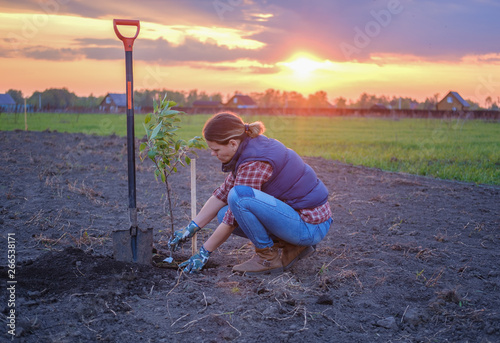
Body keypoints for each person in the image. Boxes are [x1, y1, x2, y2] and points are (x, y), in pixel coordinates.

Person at [168, 112, 332, 275]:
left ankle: (267, 258)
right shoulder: (248, 148)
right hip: (300, 219)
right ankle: (293, 246)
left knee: (238, 198)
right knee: (223, 212)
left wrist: (203, 253)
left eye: (215, 149)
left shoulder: (254, 162)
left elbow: (233, 213)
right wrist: (190, 228)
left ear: (232, 143)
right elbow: (222, 194)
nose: (212, 154)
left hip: (310, 227)